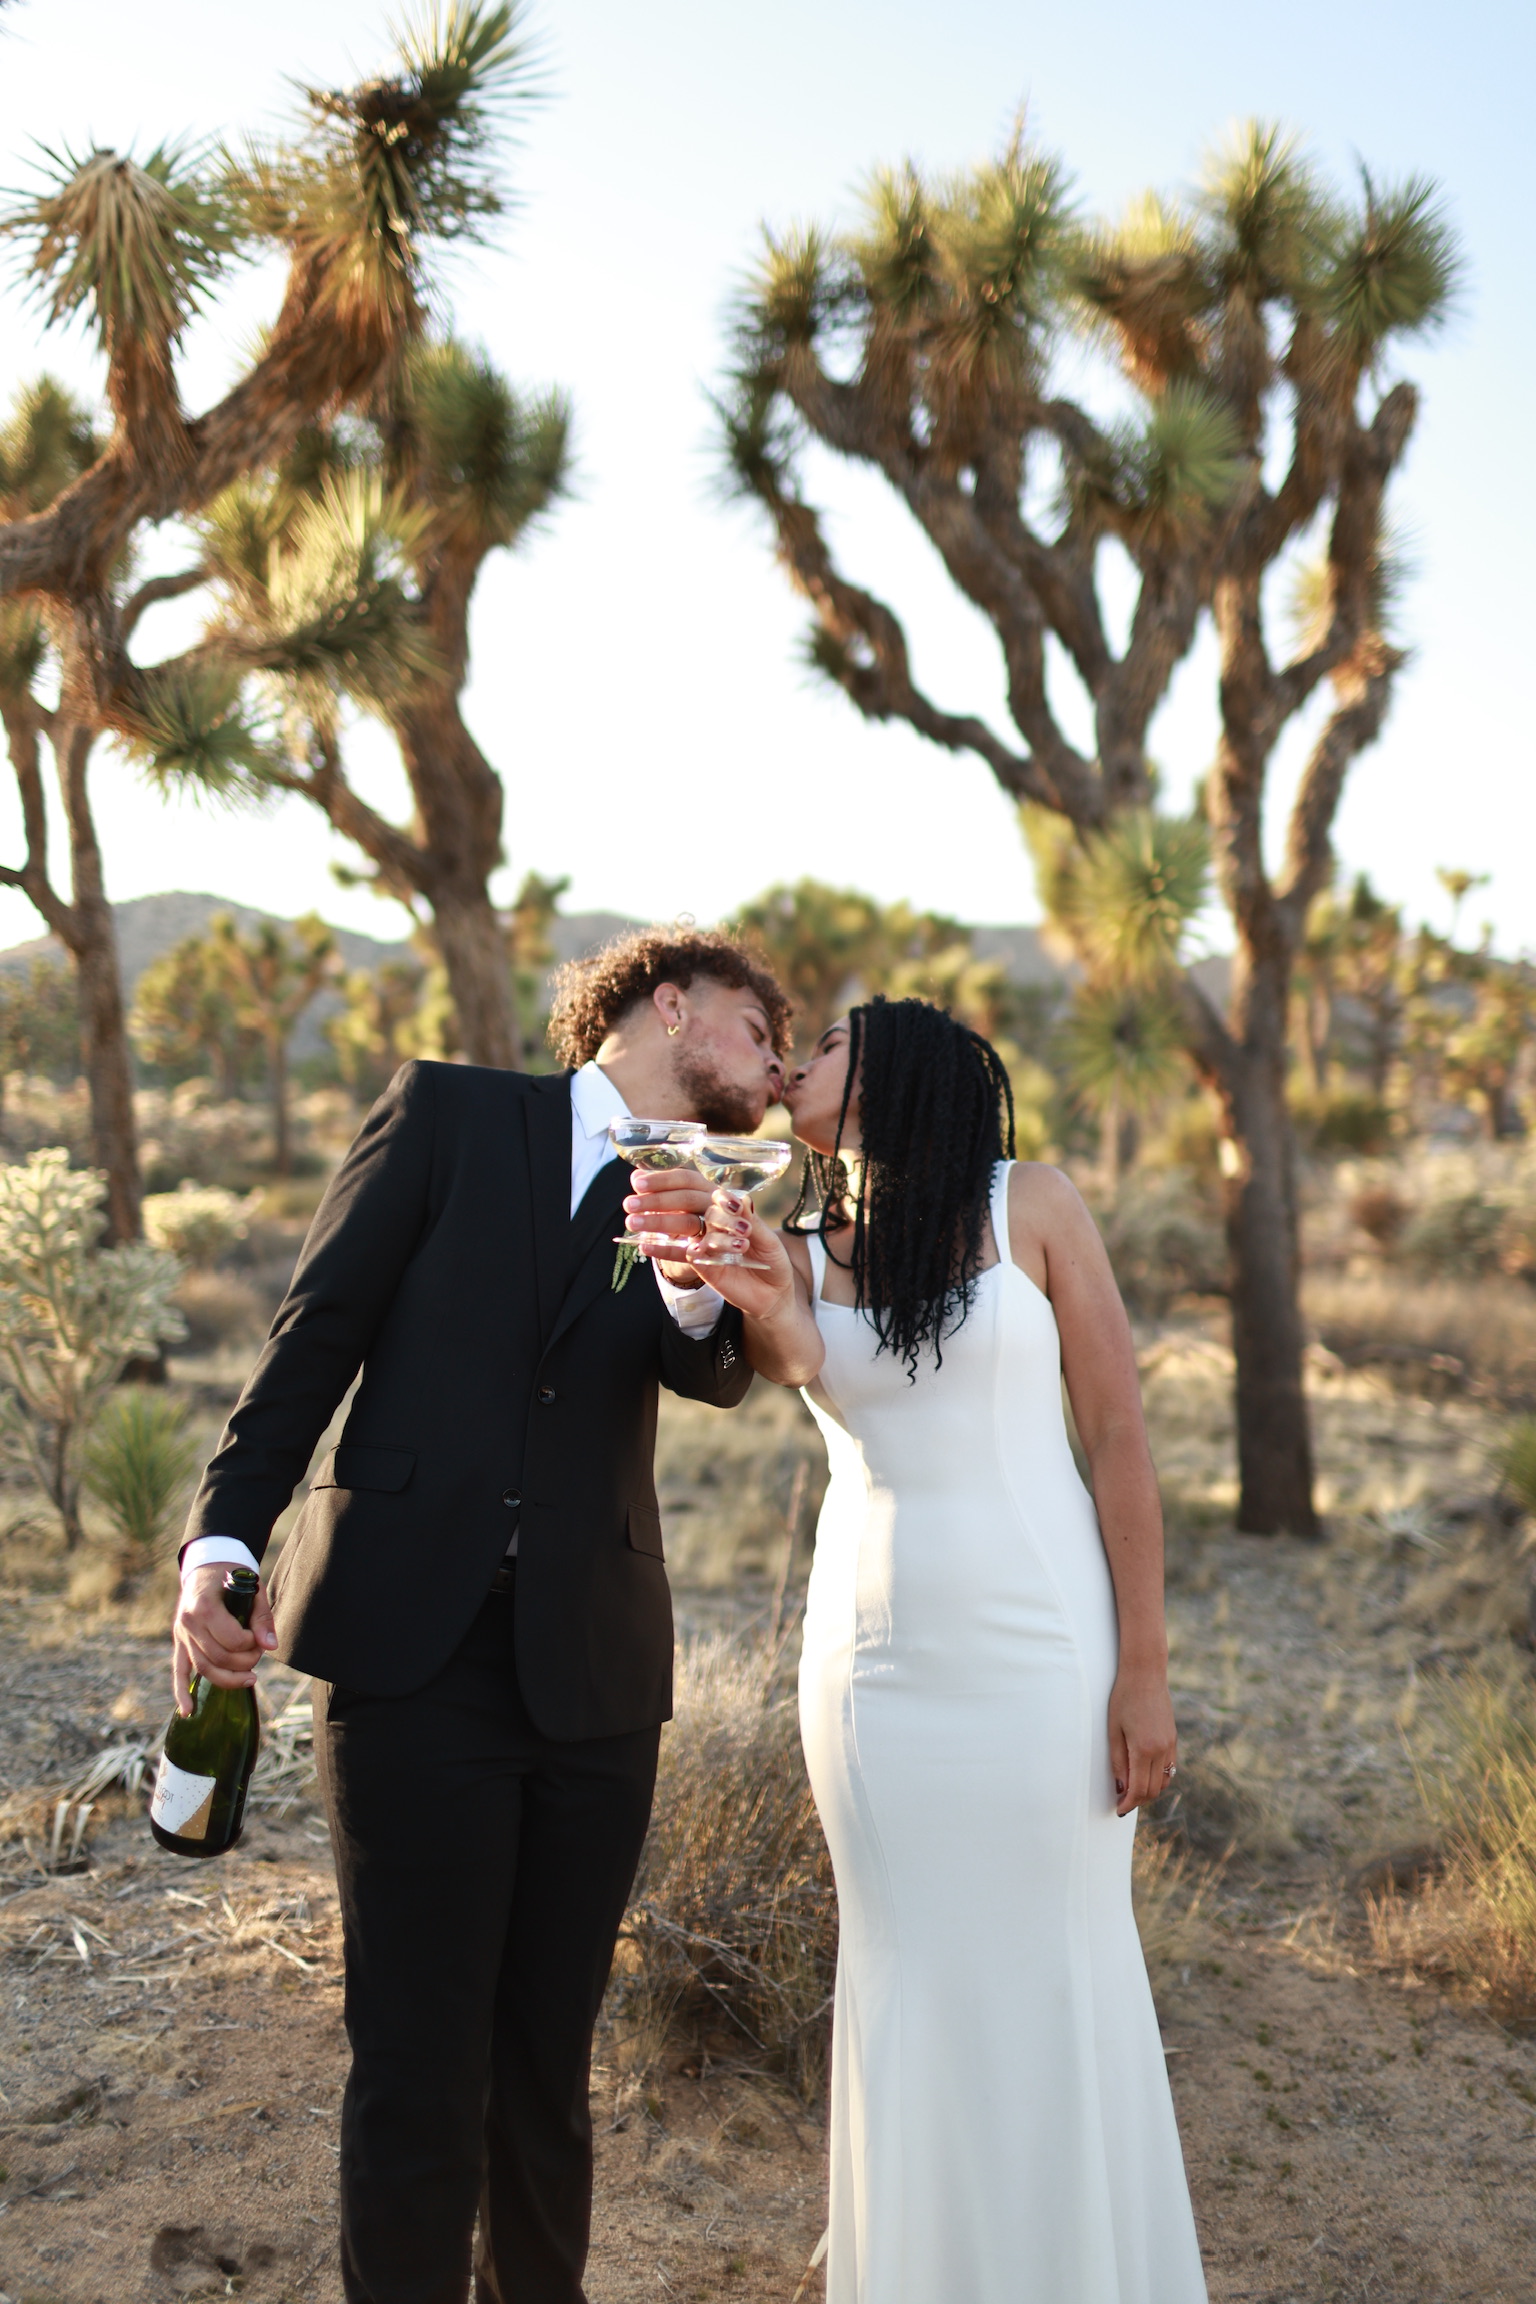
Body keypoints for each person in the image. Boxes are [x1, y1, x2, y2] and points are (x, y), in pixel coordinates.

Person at [168, 926, 815, 2304]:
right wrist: (223, 1537)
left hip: (594, 1671)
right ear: (670, 1002)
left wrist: (698, 1282)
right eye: (760, 1035)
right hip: (412, 1657)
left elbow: (705, 1379)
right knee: (415, 2066)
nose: (773, 1072)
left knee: (546, 2074)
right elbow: (315, 1336)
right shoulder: (450, 1114)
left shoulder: (706, 1194)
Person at [671, 997, 1208, 2304]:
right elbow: (793, 1356)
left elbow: (1122, 1441)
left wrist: (1145, 1668)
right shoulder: (794, 1248)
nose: (797, 1059)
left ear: (902, 1067)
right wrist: (733, 1277)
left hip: (1044, 1654)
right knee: (908, 1973)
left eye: (830, 1042)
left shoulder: (1036, 1204)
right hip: (871, 1673)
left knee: (1052, 1962)